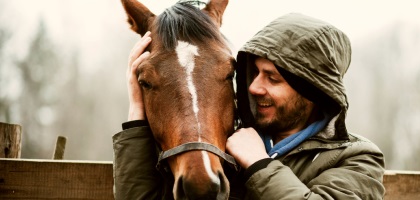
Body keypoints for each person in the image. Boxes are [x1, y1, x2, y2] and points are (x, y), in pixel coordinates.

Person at [113, 12, 385, 199]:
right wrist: (137, 112)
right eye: (254, 73)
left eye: (273, 78)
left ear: (313, 91)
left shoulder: (357, 160)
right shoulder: (216, 147)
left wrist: (258, 164)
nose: (254, 87)